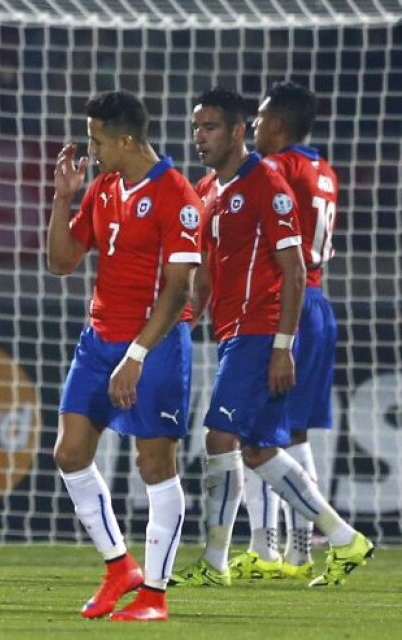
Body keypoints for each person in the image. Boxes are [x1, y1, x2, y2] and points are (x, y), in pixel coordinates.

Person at [172, 87, 372, 589]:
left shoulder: (270, 181)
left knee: (220, 437)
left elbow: (295, 267)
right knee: (259, 447)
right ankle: (345, 539)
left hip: (263, 329)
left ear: (240, 130)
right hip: (233, 330)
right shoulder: (209, 188)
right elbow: (206, 274)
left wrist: (283, 345)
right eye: (196, 127)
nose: (200, 137)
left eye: (211, 127)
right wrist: (185, 319)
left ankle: (217, 563)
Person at [46, 90, 200, 622]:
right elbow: (62, 262)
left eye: (98, 140)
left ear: (127, 140)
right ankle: (119, 567)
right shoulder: (106, 187)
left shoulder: (176, 196)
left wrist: (135, 355)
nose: (92, 149)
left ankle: (155, 594)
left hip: (154, 344)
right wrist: (63, 197)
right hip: (98, 338)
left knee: (154, 464)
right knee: (69, 454)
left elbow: (179, 290)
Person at [226, 81, 342, 581]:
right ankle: (296, 551)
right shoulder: (323, 171)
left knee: (253, 431)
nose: (253, 126)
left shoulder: (278, 168)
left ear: (277, 124)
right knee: (290, 431)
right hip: (317, 303)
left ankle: (270, 545)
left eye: (259, 118)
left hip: (283, 306)